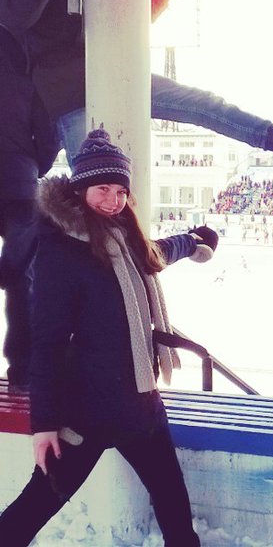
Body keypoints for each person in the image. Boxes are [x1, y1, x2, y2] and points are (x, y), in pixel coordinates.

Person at [0, 129, 213, 546]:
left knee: (173, 505)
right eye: (103, 190)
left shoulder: (124, 237)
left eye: (120, 191)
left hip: (141, 406)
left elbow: (155, 253)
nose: (113, 201)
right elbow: (47, 344)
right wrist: (44, 425)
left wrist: (193, 242)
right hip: (84, 415)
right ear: (80, 190)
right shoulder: (61, 250)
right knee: (34, 508)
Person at [0, 0, 273, 176]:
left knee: (205, 105)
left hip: (112, 71)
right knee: (96, 186)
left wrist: (152, 4)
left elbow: (111, 34)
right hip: (66, 95)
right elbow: (16, 17)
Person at [0, 25, 58, 390]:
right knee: (23, 280)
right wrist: (33, 167)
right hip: (20, 187)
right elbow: (48, 140)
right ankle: (21, 367)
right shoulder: (26, 86)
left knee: (18, 275)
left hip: (19, 181)